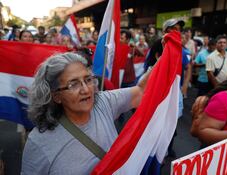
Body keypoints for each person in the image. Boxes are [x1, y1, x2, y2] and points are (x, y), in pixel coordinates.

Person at [21, 52, 150, 174]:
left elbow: (141, 92)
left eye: (88, 80)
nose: (86, 89)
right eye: (73, 85)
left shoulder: (103, 103)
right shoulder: (39, 143)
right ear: (56, 96)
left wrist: (168, 50)